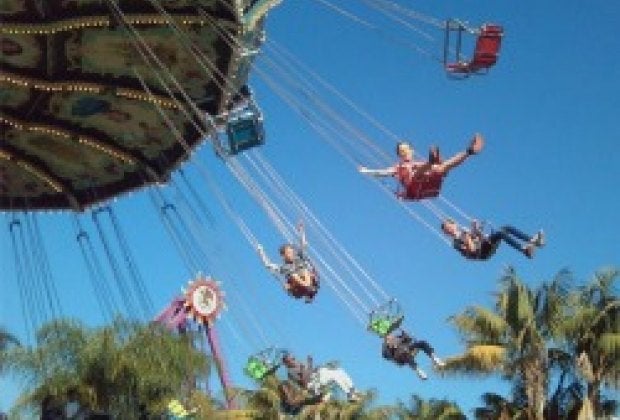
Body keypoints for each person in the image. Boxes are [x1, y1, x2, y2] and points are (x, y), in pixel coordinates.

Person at [358, 134, 484, 200]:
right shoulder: (398, 167)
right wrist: (366, 171)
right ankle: (432, 161)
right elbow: (382, 172)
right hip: (414, 189)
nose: (404, 153)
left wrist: (437, 167)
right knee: (421, 171)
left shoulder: (418, 163)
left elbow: (443, 169)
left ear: (412, 151)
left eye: (406, 150)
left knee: (442, 168)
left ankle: (469, 151)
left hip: (428, 186)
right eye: (402, 151)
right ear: (399, 155)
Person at [257, 222, 319, 302]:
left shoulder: (299, 257)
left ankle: (308, 287)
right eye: (288, 253)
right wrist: (261, 252)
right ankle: (307, 288)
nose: (291, 254)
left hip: (309, 280)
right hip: (297, 287)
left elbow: (303, 244)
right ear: (283, 256)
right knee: (292, 274)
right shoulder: (284, 267)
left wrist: (301, 231)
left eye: (292, 252)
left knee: (304, 270)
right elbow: (268, 265)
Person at [441, 219, 545, 260]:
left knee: (506, 228)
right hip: (481, 253)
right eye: (447, 229)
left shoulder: (464, 230)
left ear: (455, 224)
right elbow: (472, 249)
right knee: (500, 234)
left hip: (485, 244)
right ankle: (525, 250)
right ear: (446, 233)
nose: (450, 229)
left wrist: (475, 228)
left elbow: (477, 236)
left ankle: (533, 241)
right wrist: (468, 237)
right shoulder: (455, 243)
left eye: (450, 225)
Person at [281, 353, 361, 403]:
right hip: (312, 386)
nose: (294, 360)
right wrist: (303, 369)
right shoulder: (291, 372)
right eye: (292, 359)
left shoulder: (299, 365)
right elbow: (304, 384)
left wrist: (310, 364)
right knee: (334, 375)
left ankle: (351, 390)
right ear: (287, 363)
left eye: (294, 358)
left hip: (316, 378)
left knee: (338, 370)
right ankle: (349, 393)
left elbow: (309, 371)